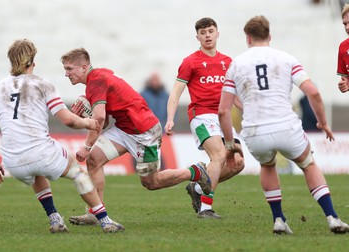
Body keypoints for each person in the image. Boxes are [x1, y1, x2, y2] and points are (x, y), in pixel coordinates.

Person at [0, 39, 125, 233]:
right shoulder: (42, 84)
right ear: (32, 62)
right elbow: (68, 120)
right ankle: (105, 221)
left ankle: (55, 219)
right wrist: (88, 122)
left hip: (12, 161)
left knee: (36, 173)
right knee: (79, 175)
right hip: (42, 152)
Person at [218, 15, 349, 234]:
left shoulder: (236, 64)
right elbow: (313, 92)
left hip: (255, 131)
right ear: (270, 35)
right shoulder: (286, 58)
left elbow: (223, 110)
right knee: (308, 163)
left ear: (247, 38)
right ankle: (332, 217)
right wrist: (323, 123)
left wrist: (230, 144)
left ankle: (279, 219)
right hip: (286, 126)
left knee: (268, 165)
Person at [61, 48, 212, 226]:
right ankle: (96, 212)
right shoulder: (97, 79)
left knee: (151, 182)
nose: (66, 74)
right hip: (124, 129)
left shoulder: (96, 81)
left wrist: (86, 146)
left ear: (84, 67)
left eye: (70, 69)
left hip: (145, 132)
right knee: (94, 160)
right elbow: (104, 119)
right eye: (65, 69)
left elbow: (100, 119)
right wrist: (88, 115)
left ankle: (195, 171)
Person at [165, 17, 245, 219]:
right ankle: (205, 208)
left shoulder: (228, 62)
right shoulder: (190, 62)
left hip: (223, 117)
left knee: (237, 162)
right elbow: (176, 93)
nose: (207, 35)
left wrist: (251, 113)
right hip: (201, 115)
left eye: (210, 31)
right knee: (218, 156)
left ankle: (198, 188)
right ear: (197, 37)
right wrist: (170, 119)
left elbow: (234, 96)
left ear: (217, 33)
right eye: (203, 32)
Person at [337, 4, 349, 93]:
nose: (347, 27)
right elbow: (345, 79)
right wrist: (344, 84)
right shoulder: (343, 46)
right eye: (345, 24)